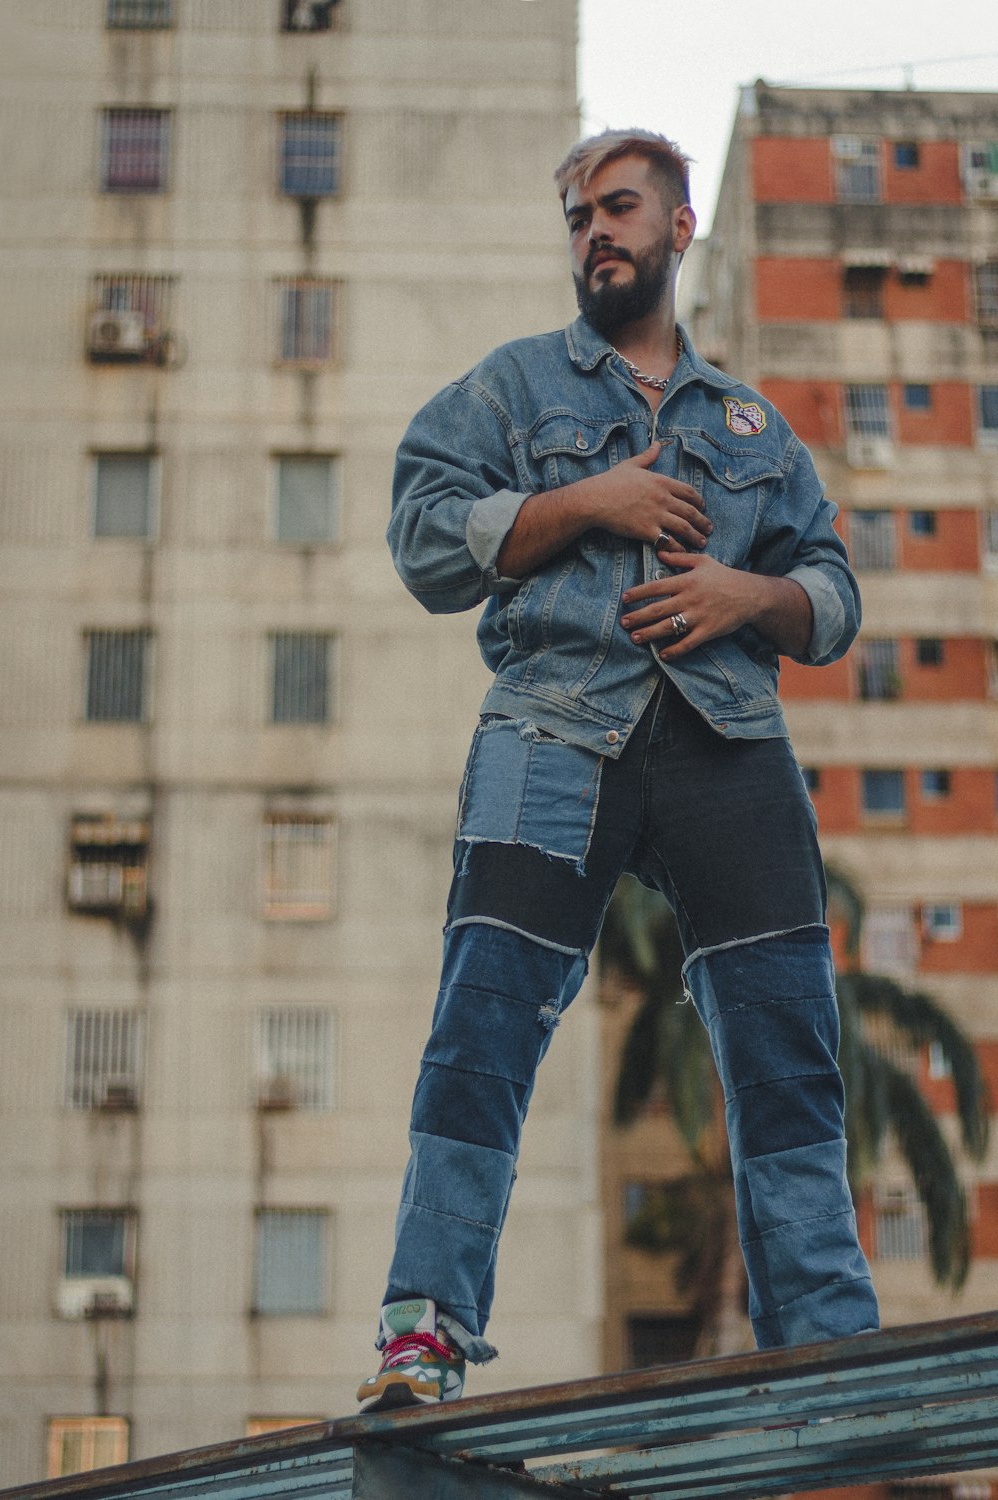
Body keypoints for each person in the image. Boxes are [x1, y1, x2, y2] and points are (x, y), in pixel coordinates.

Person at [357, 128, 879, 1413]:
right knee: (481, 1029)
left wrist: (738, 589)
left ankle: (828, 1351)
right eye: (580, 215)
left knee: (787, 1045)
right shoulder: (513, 390)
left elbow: (833, 595)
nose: (596, 230)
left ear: (678, 228)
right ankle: (421, 1338)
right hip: (550, 735)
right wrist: (592, 503)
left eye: (621, 208)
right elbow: (425, 537)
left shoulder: (751, 424)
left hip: (727, 747)